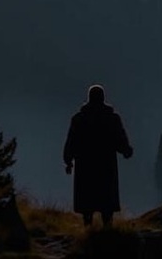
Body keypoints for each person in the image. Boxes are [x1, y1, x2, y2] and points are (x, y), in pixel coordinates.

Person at [62, 84, 133, 227]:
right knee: (107, 205)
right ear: (103, 98)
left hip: (85, 167)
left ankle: (87, 232)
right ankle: (108, 232)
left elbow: (71, 142)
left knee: (87, 205)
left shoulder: (79, 119)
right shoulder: (112, 118)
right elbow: (120, 139)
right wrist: (126, 151)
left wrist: (68, 161)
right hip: (106, 166)